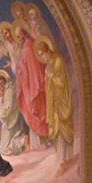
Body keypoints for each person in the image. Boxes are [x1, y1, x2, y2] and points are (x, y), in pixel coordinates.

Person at [35, 35, 75, 173]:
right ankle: (61, 158)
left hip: (61, 101)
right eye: (40, 55)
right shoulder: (49, 65)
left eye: (42, 54)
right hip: (53, 103)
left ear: (47, 50)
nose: (42, 58)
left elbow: (62, 81)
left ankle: (67, 157)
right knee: (55, 128)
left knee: (62, 127)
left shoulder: (57, 61)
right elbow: (48, 84)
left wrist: (50, 76)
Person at [13, 19, 48, 146]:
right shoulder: (26, 47)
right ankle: (40, 141)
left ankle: (44, 139)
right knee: (33, 111)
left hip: (33, 84)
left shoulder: (29, 47)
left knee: (37, 109)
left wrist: (20, 69)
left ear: (25, 33)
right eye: (17, 36)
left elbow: (33, 68)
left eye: (20, 35)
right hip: (28, 84)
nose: (19, 38)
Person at [0, 69, 29, 156]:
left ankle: (22, 140)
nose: (0, 86)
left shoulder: (9, 91)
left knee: (3, 150)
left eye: (1, 83)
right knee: (3, 149)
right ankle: (21, 141)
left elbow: (6, 110)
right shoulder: (7, 91)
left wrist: (0, 99)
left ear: (4, 81)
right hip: (10, 121)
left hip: (12, 121)